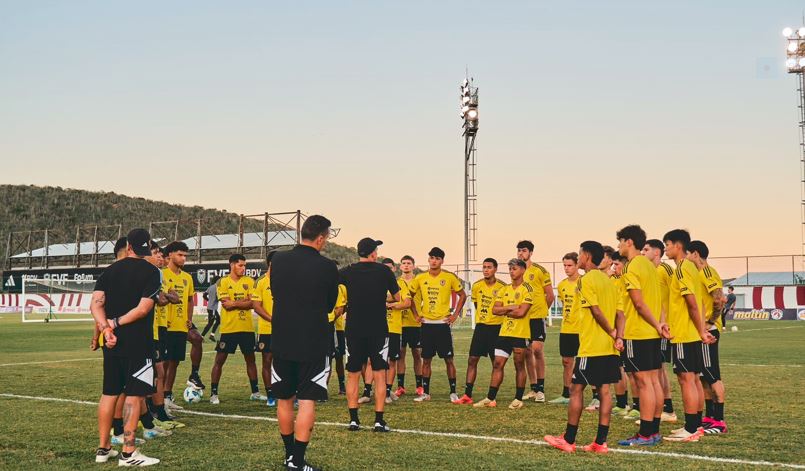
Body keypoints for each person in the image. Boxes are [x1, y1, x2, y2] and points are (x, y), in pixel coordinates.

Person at [270, 215, 339, 471]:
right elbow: (330, 304)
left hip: (282, 337)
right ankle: (297, 461)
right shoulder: (328, 267)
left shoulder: (278, 260)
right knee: (307, 400)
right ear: (321, 238)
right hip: (313, 340)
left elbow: (276, 292)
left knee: (284, 399)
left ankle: (289, 456)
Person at [544, 241, 624, 454]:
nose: (578, 258)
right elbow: (620, 313)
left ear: (587, 256)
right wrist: (619, 337)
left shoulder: (585, 280)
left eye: (579, 254)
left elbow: (596, 312)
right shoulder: (609, 281)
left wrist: (612, 332)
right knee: (605, 391)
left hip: (592, 346)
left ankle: (568, 439)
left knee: (576, 388)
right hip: (609, 348)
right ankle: (600, 442)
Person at [91, 228, 162, 466]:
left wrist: (106, 329)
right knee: (134, 395)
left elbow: (96, 304)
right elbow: (143, 310)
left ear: (128, 246)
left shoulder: (109, 271)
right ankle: (129, 452)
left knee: (109, 393)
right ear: (145, 247)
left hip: (111, 343)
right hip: (139, 343)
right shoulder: (153, 272)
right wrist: (114, 323)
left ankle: (103, 449)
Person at [615, 225, 669, 447]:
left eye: (619, 241)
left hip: (638, 332)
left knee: (644, 383)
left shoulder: (632, 267)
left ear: (629, 242)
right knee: (653, 381)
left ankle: (646, 433)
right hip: (651, 333)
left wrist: (656, 324)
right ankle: (652, 430)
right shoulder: (648, 266)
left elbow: (638, 303)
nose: (618, 246)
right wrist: (658, 325)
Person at [340, 239, 401, 431]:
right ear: (373, 253)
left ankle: (353, 419)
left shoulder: (348, 270)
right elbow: (397, 297)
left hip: (353, 329)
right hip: (378, 329)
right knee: (379, 374)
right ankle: (378, 420)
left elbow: (331, 282)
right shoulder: (384, 271)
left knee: (353, 375)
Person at [662, 229, 715, 443]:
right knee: (693, 379)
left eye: (667, 244)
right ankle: (695, 426)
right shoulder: (691, 268)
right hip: (690, 332)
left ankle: (692, 428)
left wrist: (701, 330)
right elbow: (701, 303)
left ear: (677, 246)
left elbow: (693, 303)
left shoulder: (683, 268)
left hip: (685, 334)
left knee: (686, 380)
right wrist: (701, 329)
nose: (666, 249)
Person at [407, 247, 467, 402]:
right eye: (432, 258)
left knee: (449, 359)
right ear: (428, 260)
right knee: (426, 359)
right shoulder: (420, 278)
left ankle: (453, 392)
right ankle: (425, 393)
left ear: (442, 261)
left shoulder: (449, 277)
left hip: (442, 324)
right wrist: (415, 314)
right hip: (426, 324)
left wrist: (454, 315)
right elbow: (410, 297)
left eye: (437, 258)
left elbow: (462, 295)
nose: (434, 261)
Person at [473, 259, 533, 410]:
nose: (512, 271)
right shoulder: (504, 289)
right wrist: (511, 307)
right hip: (504, 332)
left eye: (515, 269)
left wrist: (505, 310)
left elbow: (521, 313)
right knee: (497, 364)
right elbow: (495, 310)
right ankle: (490, 398)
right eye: (510, 269)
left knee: (519, 365)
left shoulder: (527, 289)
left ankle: (518, 398)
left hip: (520, 333)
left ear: (523, 270)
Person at [209, 253, 268, 404]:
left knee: (251, 360)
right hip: (229, 329)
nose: (243, 268)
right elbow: (226, 305)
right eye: (240, 265)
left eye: (245, 265)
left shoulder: (250, 281)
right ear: (232, 265)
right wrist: (244, 301)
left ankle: (255, 392)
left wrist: (235, 303)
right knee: (219, 360)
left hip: (247, 328)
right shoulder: (222, 282)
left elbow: (252, 303)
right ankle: (213, 394)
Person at [687, 240, 727, 434]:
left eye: (688, 254)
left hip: (709, 331)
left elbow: (719, 298)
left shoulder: (707, 272)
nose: (686, 258)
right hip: (700, 331)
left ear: (695, 254)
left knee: (712, 375)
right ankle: (710, 417)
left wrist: (711, 321)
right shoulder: (698, 275)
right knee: (703, 376)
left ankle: (720, 421)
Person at [453, 258, 506, 405]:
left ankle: (492, 397)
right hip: (481, 328)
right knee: (472, 360)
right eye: (484, 267)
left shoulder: (503, 287)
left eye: (489, 267)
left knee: (496, 363)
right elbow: (476, 304)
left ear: (495, 269)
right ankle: (467, 395)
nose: (486, 270)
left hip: (497, 329)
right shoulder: (477, 286)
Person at [161, 241, 204, 412]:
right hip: (166, 325)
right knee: (163, 364)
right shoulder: (162, 274)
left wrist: (189, 319)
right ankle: (157, 400)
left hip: (181, 325)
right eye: (180, 255)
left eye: (185, 255)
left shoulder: (187, 277)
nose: (183, 258)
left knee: (174, 362)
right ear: (170, 255)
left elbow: (189, 300)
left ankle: (167, 395)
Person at [642, 239, 678, 422]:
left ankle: (667, 409)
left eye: (646, 249)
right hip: (653, 325)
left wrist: (669, 321)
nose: (642, 253)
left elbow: (677, 294)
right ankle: (662, 408)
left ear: (657, 253)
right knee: (656, 370)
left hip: (665, 325)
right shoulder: (649, 271)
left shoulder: (665, 270)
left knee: (658, 369)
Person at [516, 240, 554, 403]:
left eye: (524, 250)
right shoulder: (516, 271)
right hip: (523, 318)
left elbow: (550, 295)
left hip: (537, 318)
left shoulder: (540, 271)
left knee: (537, 349)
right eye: (518, 250)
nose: (520, 253)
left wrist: (542, 312)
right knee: (526, 352)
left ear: (531, 252)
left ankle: (541, 389)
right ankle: (533, 388)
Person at [549, 252, 581, 405]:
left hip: (582, 330)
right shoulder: (562, 285)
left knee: (588, 362)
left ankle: (596, 396)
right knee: (567, 361)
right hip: (566, 329)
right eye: (565, 266)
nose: (567, 268)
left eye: (570, 265)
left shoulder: (584, 282)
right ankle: (566, 394)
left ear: (577, 265)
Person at [382, 258, 412, 404]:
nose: (387, 270)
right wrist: (393, 299)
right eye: (384, 268)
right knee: (378, 362)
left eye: (389, 268)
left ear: (394, 269)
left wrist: (390, 304)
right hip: (379, 328)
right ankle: (377, 390)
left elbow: (406, 303)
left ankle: (388, 391)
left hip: (394, 328)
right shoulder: (376, 282)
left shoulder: (401, 284)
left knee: (392, 361)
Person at [252, 251, 278, 407]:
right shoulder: (260, 282)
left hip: (284, 330)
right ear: (270, 263)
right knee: (267, 361)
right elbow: (256, 306)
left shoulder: (284, 281)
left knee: (285, 362)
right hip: (266, 329)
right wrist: (273, 319)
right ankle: (270, 394)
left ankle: (287, 393)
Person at [396, 255, 423, 397]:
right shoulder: (395, 282)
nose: (406, 265)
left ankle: (419, 386)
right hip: (400, 324)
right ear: (400, 266)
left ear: (413, 266)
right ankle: (400, 386)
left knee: (417, 354)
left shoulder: (419, 281)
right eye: (404, 263)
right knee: (400, 354)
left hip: (415, 323)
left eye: (409, 263)